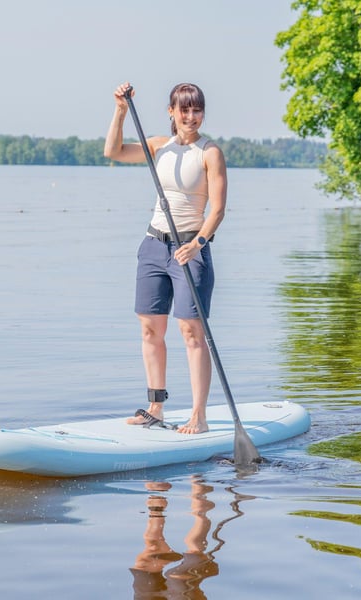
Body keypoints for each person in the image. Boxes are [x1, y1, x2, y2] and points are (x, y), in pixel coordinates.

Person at [104, 82, 227, 434]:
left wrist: (200, 242)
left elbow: (217, 209)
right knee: (150, 329)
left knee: (191, 332)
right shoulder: (160, 146)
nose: (191, 116)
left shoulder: (210, 152)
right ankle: (155, 408)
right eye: (184, 110)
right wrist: (121, 110)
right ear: (171, 112)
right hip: (154, 246)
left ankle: (198, 416)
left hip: (192, 248)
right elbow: (113, 151)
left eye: (197, 109)